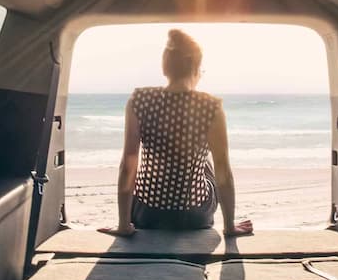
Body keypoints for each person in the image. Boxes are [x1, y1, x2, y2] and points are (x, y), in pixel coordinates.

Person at [99, 29, 254, 237]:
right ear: (197, 69)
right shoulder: (211, 106)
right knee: (210, 160)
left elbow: (128, 163)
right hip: (194, 216)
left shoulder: (139, 99)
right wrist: (230, 227)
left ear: (165, 67)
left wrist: (123, 225)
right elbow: (223, 169)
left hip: (147, 214)